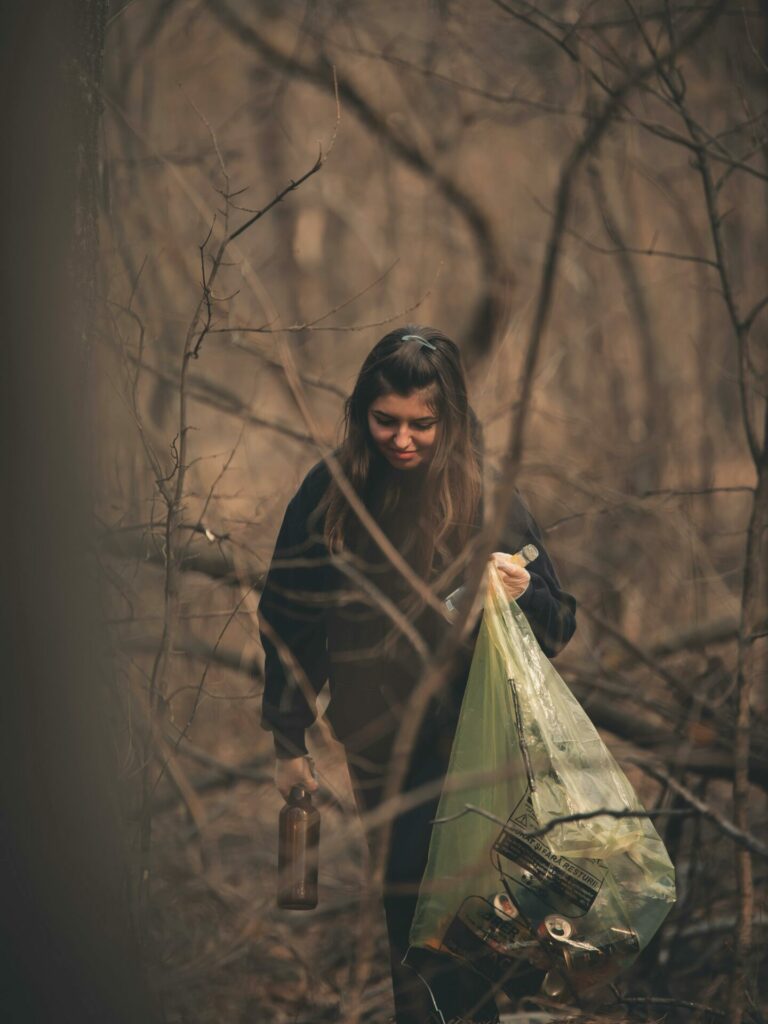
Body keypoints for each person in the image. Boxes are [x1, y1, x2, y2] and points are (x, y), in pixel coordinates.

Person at [258, 326, 577, 1024]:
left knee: (481, 930)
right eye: (385, 421)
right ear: (361, 413)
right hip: (380, 749)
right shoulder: (330, 494)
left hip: (480, 750)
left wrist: (524, 591)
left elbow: (559, 627)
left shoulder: (486, 498)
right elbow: (289, 618)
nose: (401, 439)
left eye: (421, 425)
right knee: (411, 925)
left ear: (450, 420)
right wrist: (288, 737)